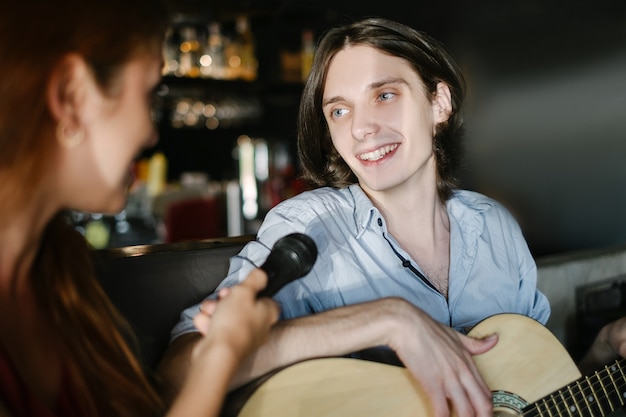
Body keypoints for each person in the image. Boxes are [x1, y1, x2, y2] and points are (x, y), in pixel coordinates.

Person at [158, 16, 626, 417]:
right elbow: (180, 376)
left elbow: (533, 395)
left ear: (438, 103)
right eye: (339, 111)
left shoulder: (496, 227)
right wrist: (387, 318)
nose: (360, 128)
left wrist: (603, 353)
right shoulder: (311, 228)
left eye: (384, 95)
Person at [0, 1, 278, 417]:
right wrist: (221, 355)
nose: (151, 134)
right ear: (72, 94)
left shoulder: (59, 272)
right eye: (150, 93)